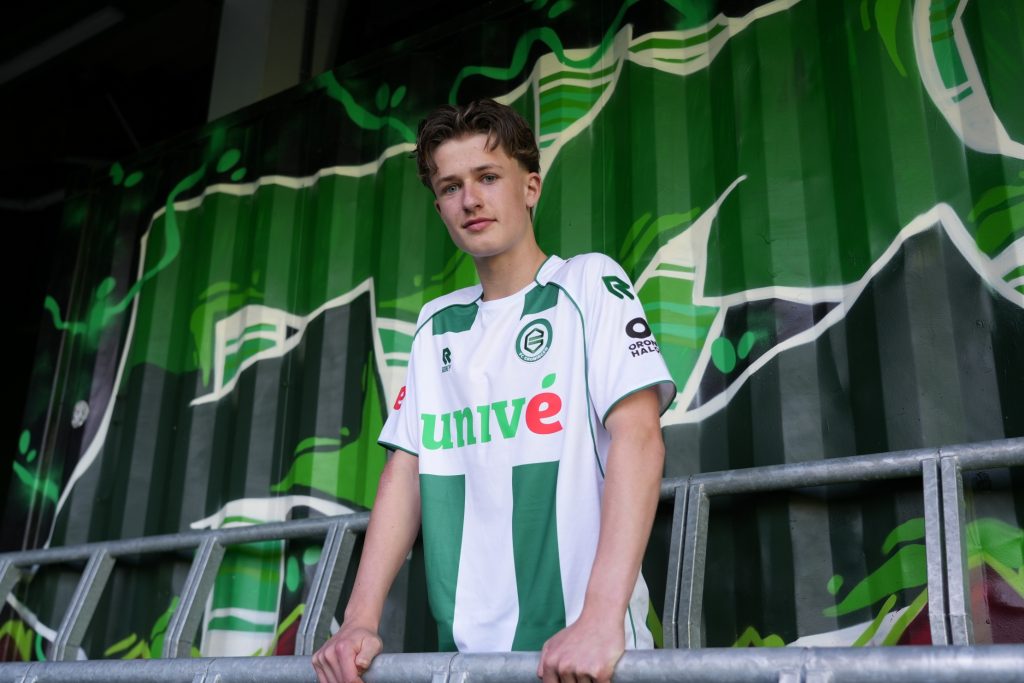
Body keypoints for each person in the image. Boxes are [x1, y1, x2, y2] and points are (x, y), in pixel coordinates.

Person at [313, 99, 675, 683]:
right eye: (451, 187)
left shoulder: (589, 282)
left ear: (530, 187)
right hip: (467, 662)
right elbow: (406, 472)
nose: (470, 200)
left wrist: (600, 619)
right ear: (439, 207)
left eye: (487, 177)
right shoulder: (435, 326)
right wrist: (358, 621)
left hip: (584, 655)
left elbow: (640, 439)